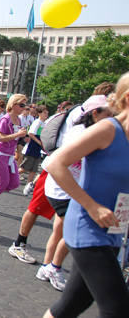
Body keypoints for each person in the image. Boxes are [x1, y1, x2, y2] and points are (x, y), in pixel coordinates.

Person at [43, 74, 129, 318]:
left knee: (71, 305)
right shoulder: (108, 129)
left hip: (113, 230)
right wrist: (92, 206)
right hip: (87, 228)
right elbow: (56, 163)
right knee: (118, 310)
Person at [36, 95, 112, 292]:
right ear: (95, 114)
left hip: (72, 188)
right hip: (63, 189)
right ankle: (54, 267)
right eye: (109, 114)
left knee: (60, 230)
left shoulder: (92, 131)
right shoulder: (80, 133)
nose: (112, 119)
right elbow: (62, 163)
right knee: (75, 231)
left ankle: (46, 267)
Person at [19, 105, 49, 194]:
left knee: (34, 169)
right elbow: (31, 133)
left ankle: (28, 185)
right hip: (32, 147)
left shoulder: (44, 123)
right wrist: (39, 142)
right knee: (25, 168)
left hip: (38, 149)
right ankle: (11, 176)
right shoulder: (37, 122)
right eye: (44, 112)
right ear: (39, 113)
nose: (46, 114)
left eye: (47, 112)